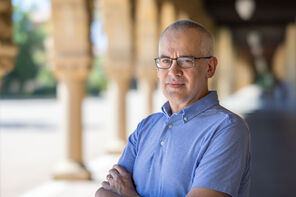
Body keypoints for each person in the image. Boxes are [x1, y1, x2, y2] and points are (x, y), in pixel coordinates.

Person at [95, 19, 251, 197]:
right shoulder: (146, 127)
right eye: (165, 60)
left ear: (210, 67)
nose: (173, 71)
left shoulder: (226, 128)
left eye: (186, 60)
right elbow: (104, 193)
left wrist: (130, 194)